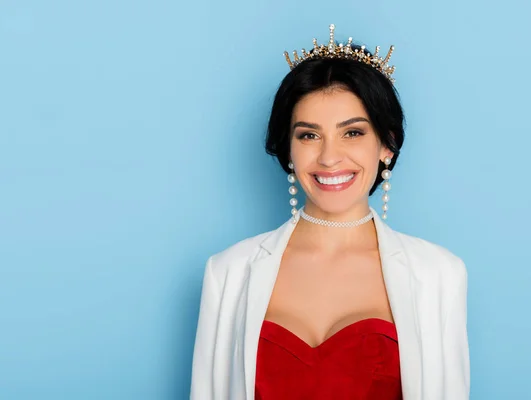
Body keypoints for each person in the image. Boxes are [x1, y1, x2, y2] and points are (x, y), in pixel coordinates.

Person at [190, 24, 469, 400]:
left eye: (352, 132)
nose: (329, 157)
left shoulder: (438, 274)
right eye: (309, 135)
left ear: (386, 145)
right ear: (288, 150)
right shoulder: (228, 273)